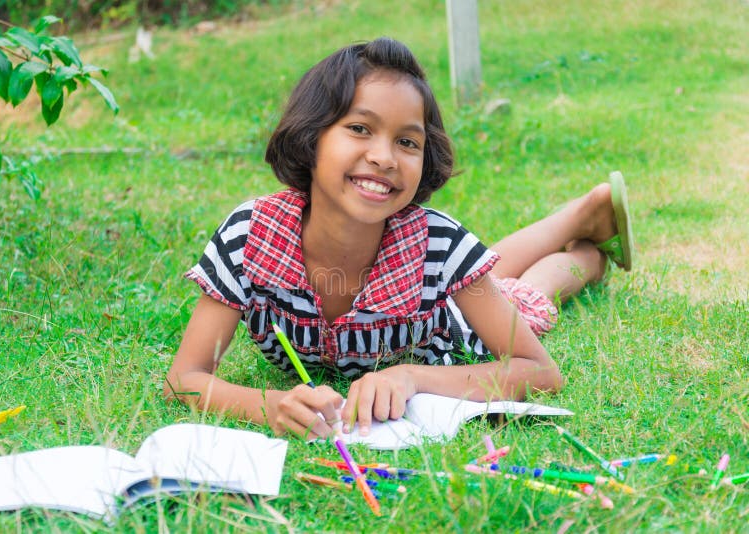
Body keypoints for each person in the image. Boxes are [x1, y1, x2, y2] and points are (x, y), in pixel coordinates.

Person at [165, 37, 634, 440]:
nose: (385, 157)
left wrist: (412, 376)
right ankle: (581, 218)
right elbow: (185, 377)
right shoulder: (250, 237)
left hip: (449, 324)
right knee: (484, 265)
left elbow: (540, 372)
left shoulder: (437, 243)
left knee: (522, 293)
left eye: (407, 142)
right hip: (439, 277)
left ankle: (589, 253)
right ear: (311, 136)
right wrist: (270, 405)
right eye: (359, 128)